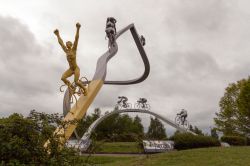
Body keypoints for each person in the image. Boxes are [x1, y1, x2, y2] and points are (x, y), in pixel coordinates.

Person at [54, 23, 87, 96]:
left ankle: (84, 89)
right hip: (71, 69)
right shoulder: (66, 51)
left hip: (76, 69)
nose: (66, 44)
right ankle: (72, 87)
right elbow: (61, 43)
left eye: (68, 43)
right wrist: (57, 35)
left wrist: (78, 29)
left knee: (76, 82)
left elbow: (76, 39)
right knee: (63, 78)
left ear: (71, 44)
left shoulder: (74, 50)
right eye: (66, 43)